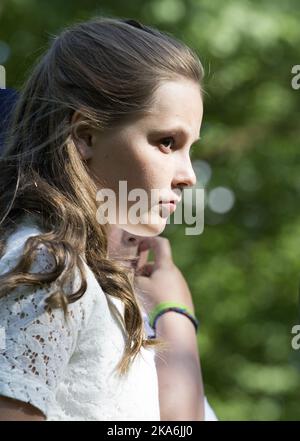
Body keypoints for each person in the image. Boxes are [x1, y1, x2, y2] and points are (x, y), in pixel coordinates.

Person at [0, 17, 216, 420]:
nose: (188, 175)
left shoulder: (90, 278)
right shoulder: (47, 267)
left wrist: (172, 310)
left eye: (190, 148)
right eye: (166, 142)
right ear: (85, 136)